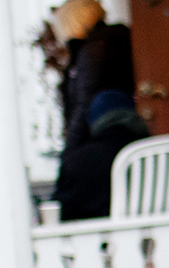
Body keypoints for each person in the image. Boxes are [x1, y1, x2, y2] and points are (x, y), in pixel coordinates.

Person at [50, 0, 135, 151]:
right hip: (120, 135)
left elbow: (83, 104)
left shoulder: (93, 52)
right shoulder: (113, 41)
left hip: (100, 140)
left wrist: (70, 150)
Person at [51, 90, 151, 222]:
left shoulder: (77, 161)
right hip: (156, 232)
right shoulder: (153, 154)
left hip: (96, 233)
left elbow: (61, 211)